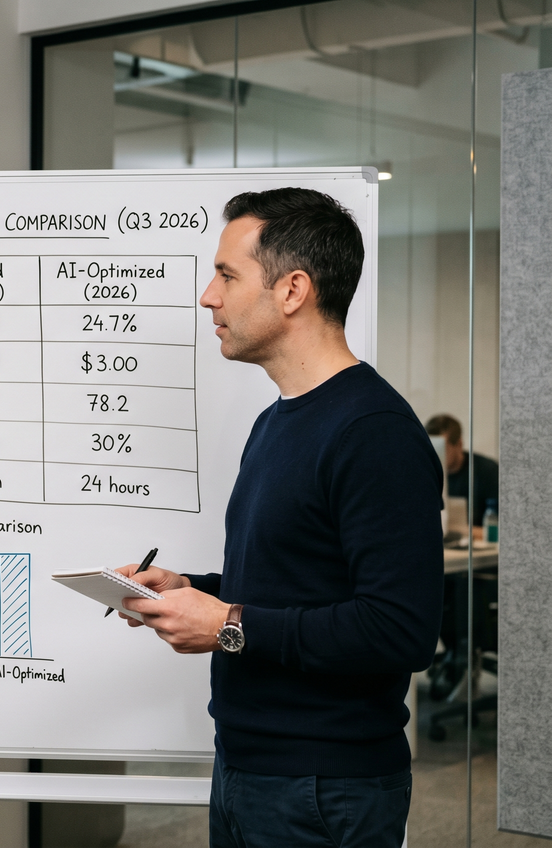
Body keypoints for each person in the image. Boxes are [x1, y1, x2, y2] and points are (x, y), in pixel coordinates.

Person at [121, 189, 443, 847]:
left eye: (227, 275)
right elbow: (293, 582)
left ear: (293, 290)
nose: (209, 296)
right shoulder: (277, 421)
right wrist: (192, 588)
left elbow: (400, 630)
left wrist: (228, 627)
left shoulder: (373, 432)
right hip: (248, 772)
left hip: (325, 790)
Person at [425, 412, 499, 528]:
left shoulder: (488, 471)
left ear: (459, 444)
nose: (435, 455)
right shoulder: (427, 474)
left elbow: (499, 527)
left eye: (441, 448)